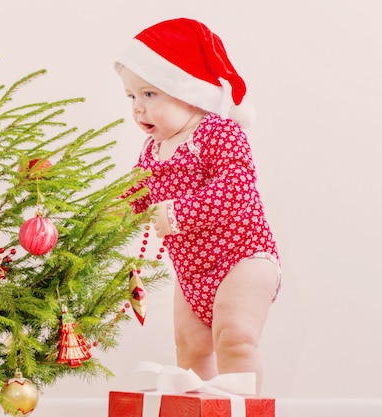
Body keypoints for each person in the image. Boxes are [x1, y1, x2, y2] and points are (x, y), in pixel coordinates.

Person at [115, 18, 281, 393]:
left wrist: (176, 213)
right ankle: (198, 408)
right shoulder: (152, 151)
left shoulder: (219, 132)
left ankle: (241, 407)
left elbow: (237, 187)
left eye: (150, 94)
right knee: (189, 348)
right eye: (131, 97)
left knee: (236, 337)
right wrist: (107, 214)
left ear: (186, 90)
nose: (138, 109)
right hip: (192, 273)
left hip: (242, 257)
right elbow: (135, 192)